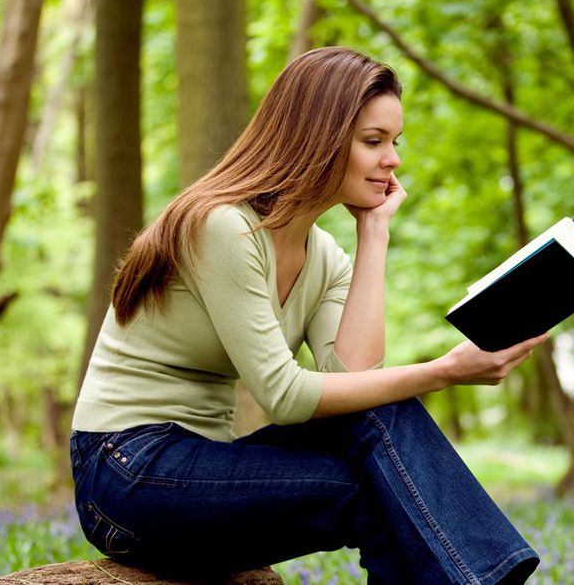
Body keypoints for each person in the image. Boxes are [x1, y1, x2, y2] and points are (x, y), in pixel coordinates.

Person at [69, 46, 547, 584]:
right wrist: (446, 371)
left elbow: (355, 386)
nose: (393, 160)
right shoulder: (224, 228)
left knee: (384, 433)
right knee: (381, 488)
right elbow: (286, 396)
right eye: (374, 142)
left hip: (201, 464)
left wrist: (375, 233)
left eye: (395, 142)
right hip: (127, 471)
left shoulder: (323, 256)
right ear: (317, 137)